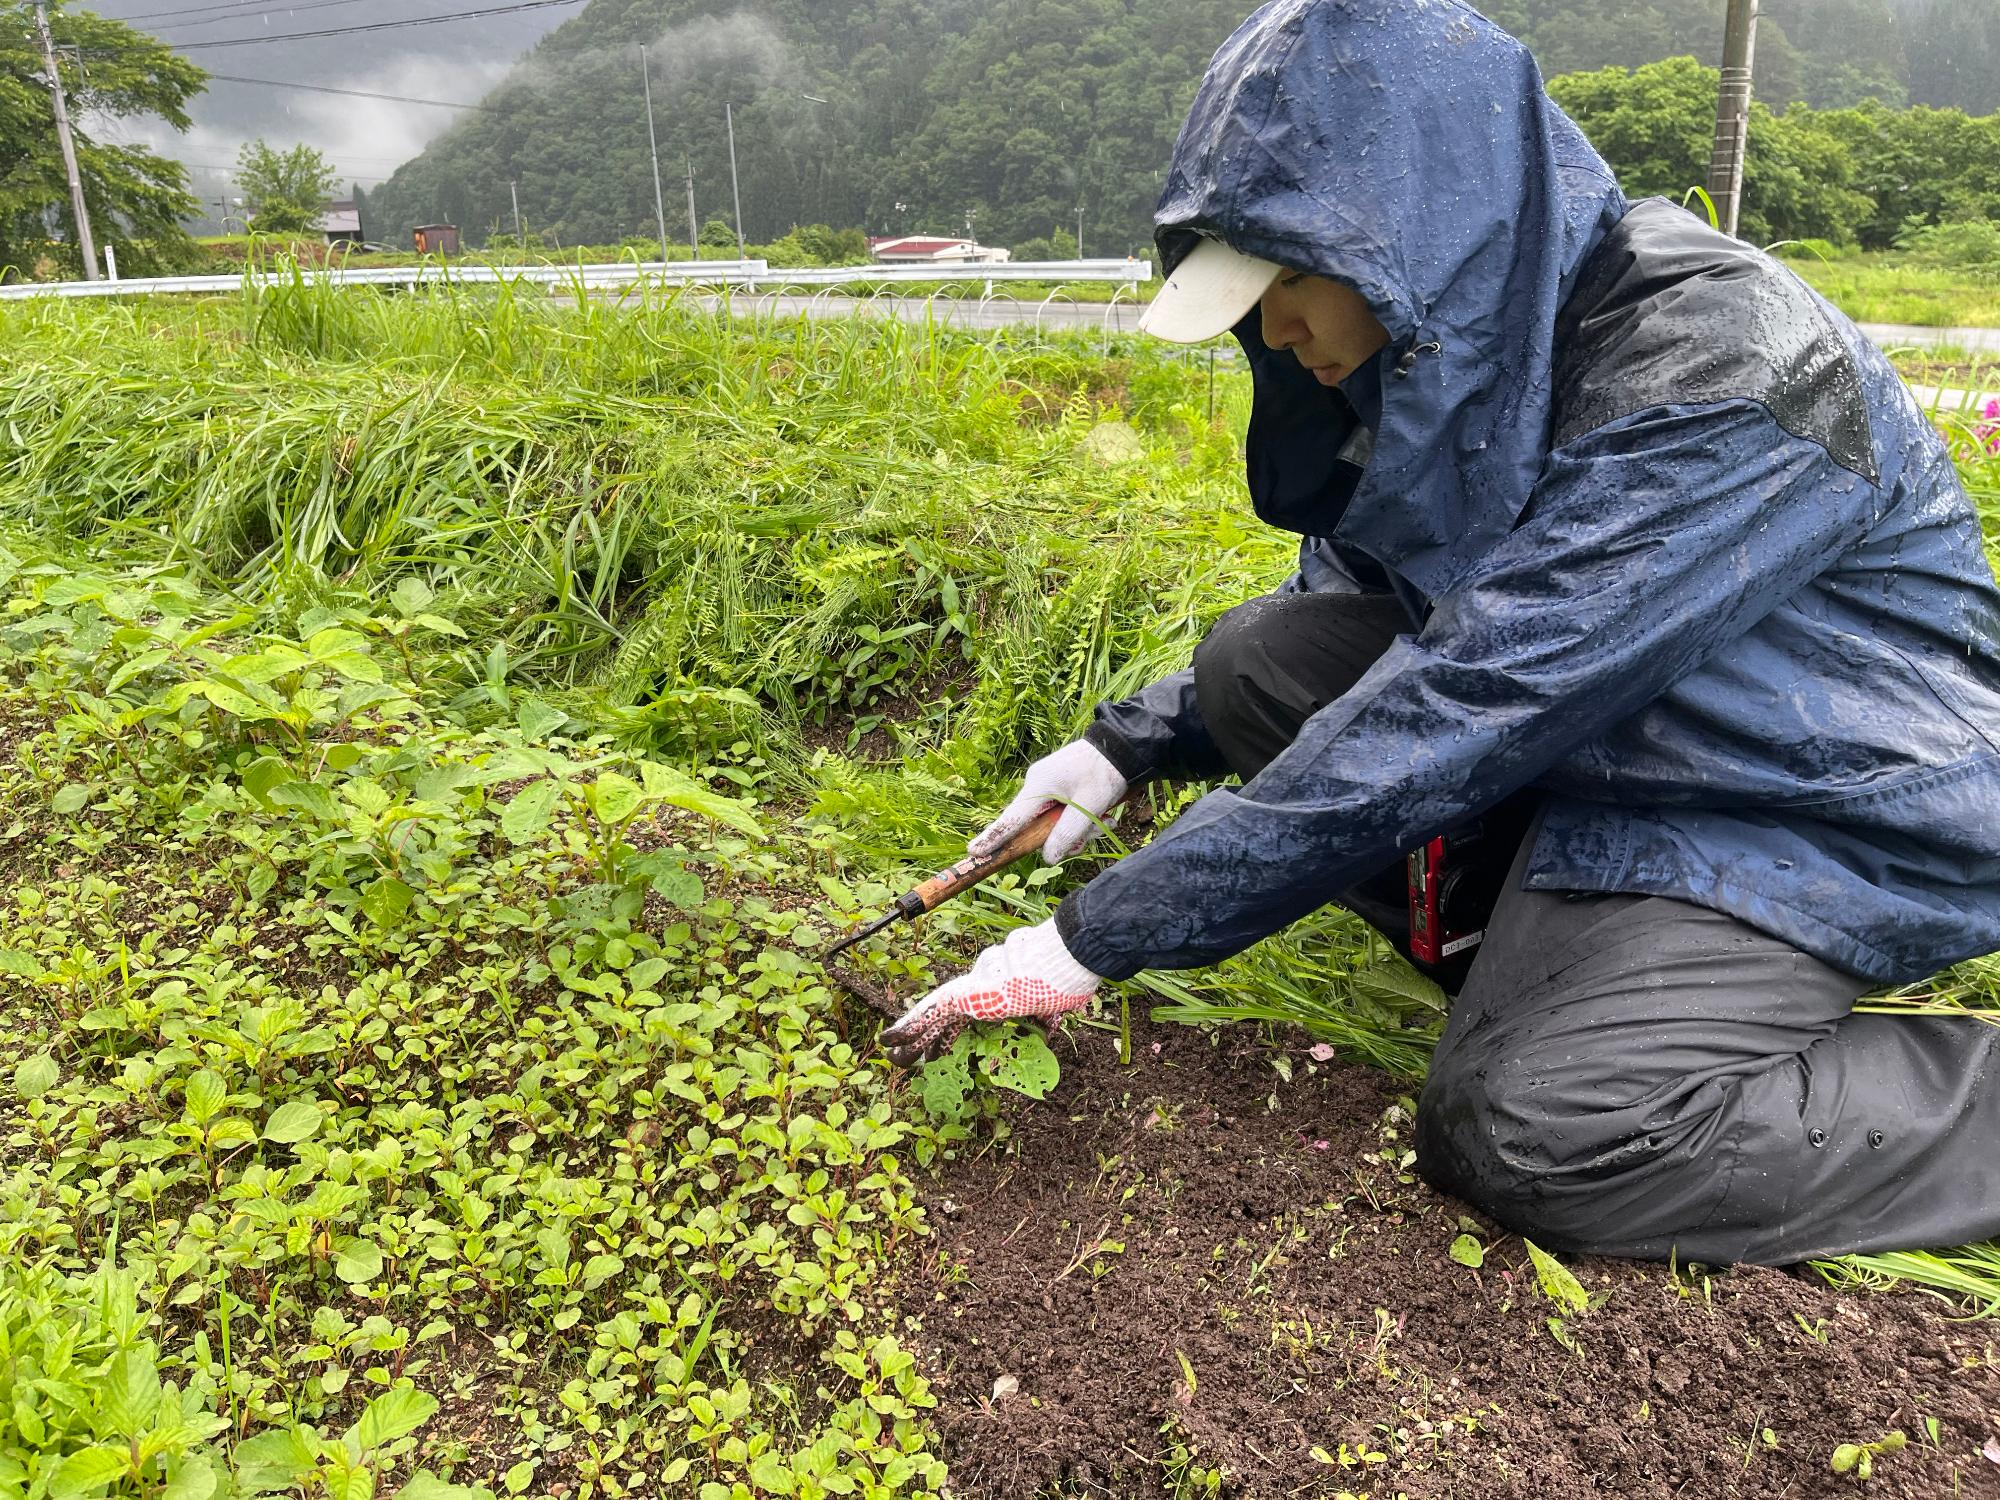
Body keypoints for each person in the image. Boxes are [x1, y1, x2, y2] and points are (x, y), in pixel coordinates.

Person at [879, 0, 2000, 1266]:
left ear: (1420, 233)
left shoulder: (1718, 367)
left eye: (1291, 282)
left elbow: (1474, 695)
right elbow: (1356, 607)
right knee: (1257, 664)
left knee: (1530, 1133)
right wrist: (1126, 744)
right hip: (1617, 750)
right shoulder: (1437, 354)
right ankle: (1557, 975)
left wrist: (1096, 935)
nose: (1276, 330)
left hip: (1804, 796)